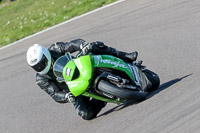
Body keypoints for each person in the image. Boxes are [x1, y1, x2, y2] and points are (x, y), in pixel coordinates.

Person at [26, 39, 138, 120]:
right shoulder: (41, 79)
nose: (39, 67)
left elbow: (71, 44)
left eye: (41, 63)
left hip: (81, 67)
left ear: (46, 55)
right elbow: (54, 93)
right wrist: (66, 97)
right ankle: (104, 97)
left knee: (94, 46)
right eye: (36, 67)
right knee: (85, 114)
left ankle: (124, 56)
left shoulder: (55, 49)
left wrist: (82, 45)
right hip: (75, 89)